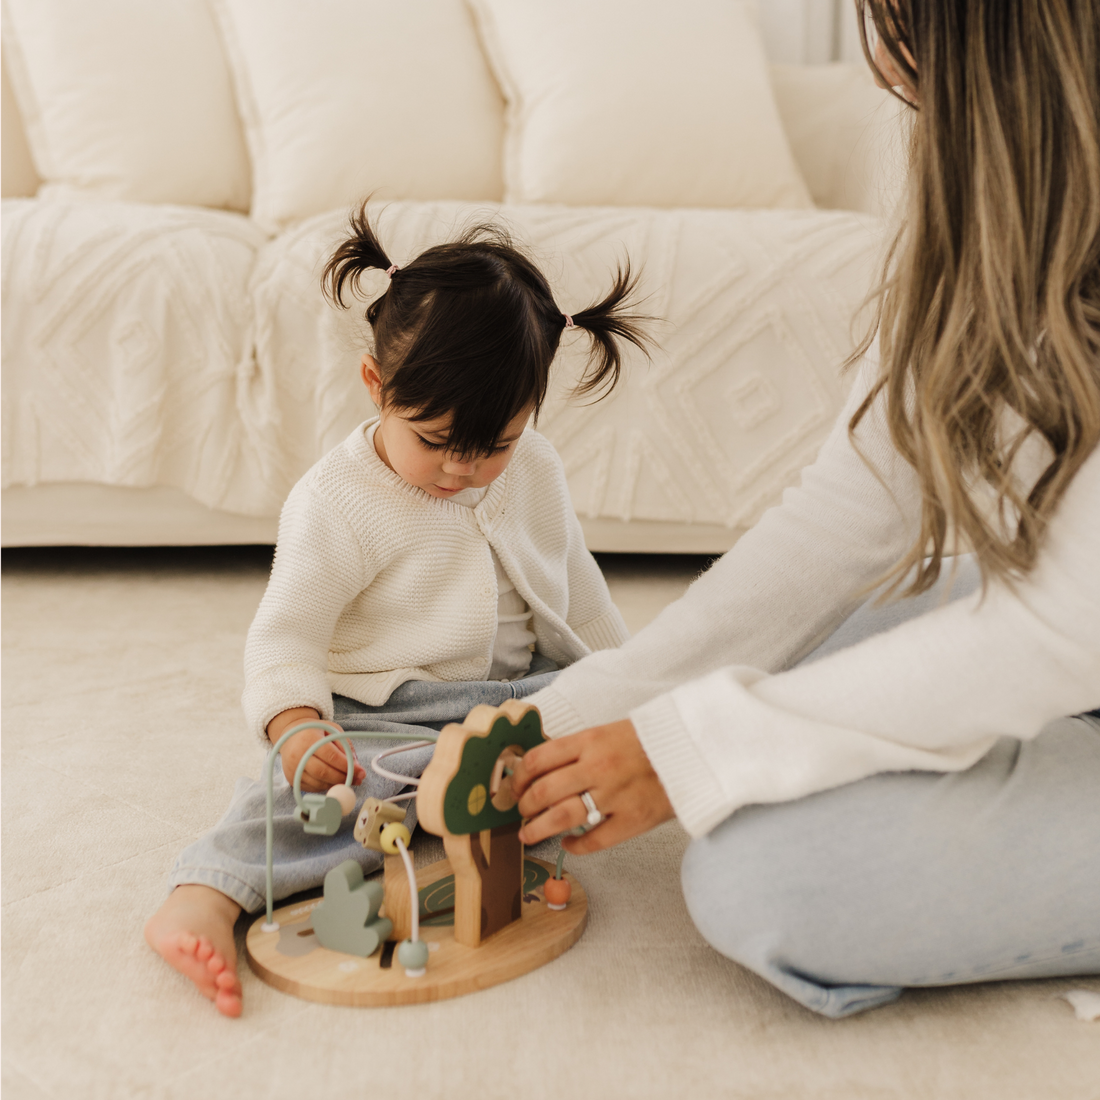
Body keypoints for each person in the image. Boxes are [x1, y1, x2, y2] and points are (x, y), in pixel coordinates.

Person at [513, 0, 1100, 1017]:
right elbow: (860, 508)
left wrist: (693, 749)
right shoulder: (967, 148)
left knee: (763, 876)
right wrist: (571, 718)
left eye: (904, 27)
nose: (882, 65)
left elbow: (1054, 630)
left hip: (1069, 634)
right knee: (802, 660)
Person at [144, 205, 652, 1016]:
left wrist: (627, 684)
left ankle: (458, 815)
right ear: (377, 386)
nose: (463, 471)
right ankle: (210, 889)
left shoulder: (536, 468)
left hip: (518, 694)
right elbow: (284, 637)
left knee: (577, 751)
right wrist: (294, 724)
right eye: (436, 441)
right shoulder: (337, 503)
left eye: (495, 446)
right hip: (392, 709)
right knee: (347, 793)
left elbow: (577, 588)